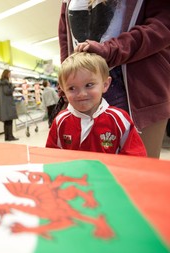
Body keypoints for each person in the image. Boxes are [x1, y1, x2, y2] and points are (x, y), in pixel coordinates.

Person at [58, 0, 170, 158]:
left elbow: (162, 25)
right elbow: (65, 38)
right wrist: (66, 79)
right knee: (86, 168)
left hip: (136, 87)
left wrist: (111, 50)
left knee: (136, 173)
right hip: (82, 85)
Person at [46, 52, 147, 156]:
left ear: (105, 84)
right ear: (63, 90)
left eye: (89, 85)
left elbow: (136, 156)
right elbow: (51, 156)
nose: (82, 94)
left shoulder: (119, 119)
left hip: (110, 172)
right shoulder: (60, 121)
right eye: (72, 88)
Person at [0, 69, 18, 141]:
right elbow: (7, 92)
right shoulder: (5, 83)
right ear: (6, 74)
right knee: (9, 121)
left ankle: (7, 137)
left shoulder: (1, 83)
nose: (10, 75)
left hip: (4, 105)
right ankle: (10, 137)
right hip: (8, 105)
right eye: (9, 74)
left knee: (6, 122)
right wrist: (13, 87)